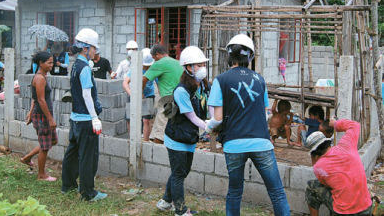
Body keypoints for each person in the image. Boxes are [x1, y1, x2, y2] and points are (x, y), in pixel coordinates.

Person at [205, 34, 290, 216]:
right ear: (250, 56)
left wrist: (208, 127)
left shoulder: (221, 80)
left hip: (234, 144)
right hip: (261, 143)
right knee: (277, 193)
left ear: (229, 55)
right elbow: (265, 113)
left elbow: (217, 119)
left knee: (235, 193)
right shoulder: (260, 80)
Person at [156, 46, 210, 216]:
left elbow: (205, 108)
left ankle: (165, 201)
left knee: (182, 171)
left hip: (189, 137)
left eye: (203, 64)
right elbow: (192, 117)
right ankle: (180, 210)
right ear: (188, 67)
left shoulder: (202, 86)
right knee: (179, 174)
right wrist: (208, 126)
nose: (202, 68)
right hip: (176, 138)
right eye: (199, 65)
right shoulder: (181, 90)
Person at [61, 28, 107, 201]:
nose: (96, 51)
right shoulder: (85, 68)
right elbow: (87, 94)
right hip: (86, 120)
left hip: (75, 118)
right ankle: (88, 193)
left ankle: (68, 185)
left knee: (72, 153)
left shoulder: (75, 65)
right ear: (86, 48)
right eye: (94, 48)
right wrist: (95, 117)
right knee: (88, 157)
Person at [305, 119, 372, 216]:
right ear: (327, 142)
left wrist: (314, 158)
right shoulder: (346, 146)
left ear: (313, 153)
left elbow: (326, 184)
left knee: (311, 187)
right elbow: (355, 125)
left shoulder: (319, 167)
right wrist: (335, 124)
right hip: (366, 208)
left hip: (344, 213)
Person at [20, 51, 57, 181]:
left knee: (52, 141)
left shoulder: (42, 76)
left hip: (42, 114)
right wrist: (50, 119)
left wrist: (30, 113)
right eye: (49, 62)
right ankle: (41, 175)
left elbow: (34, 99)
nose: (52, 65)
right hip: (43, 116)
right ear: (41, 63)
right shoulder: (40, 78)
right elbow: (40, 100)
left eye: (52, 62)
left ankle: (27, 158)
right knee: (45, 146)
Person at [143, 44, 183, 144]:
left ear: (157, 55)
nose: (154, 61)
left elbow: (144, 79)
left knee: (159, 133)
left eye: (154, 58)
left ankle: (156, 155)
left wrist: (140, 93)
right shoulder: (177, 62)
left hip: (168, 101)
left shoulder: (159, 63)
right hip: (181, 99)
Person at [122, 48, 155, 141]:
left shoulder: (153, 69)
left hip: (148, 95)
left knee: (146, 120)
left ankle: (145, 141)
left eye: (148, 66)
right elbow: (125, 83)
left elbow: (160, 83)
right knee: (129, 118)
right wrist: (132, 95)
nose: (146, 67)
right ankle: (132, 140)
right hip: (133, 94)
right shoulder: (135, 68)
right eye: (145, 65)